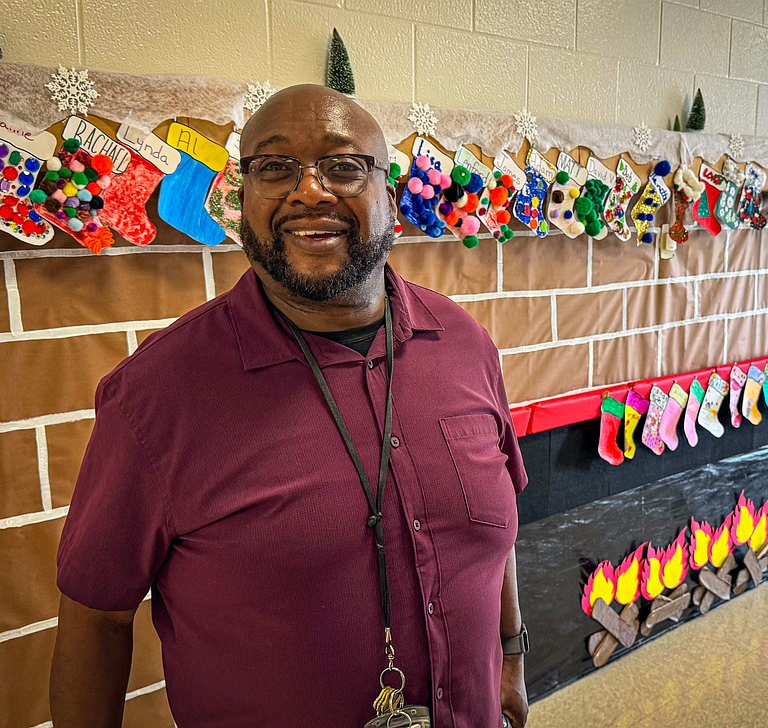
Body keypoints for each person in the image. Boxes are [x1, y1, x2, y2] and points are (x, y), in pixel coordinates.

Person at [50, 84, 530, 728]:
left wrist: (510, 659)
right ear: (240, 200)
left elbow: (495, 537)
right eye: (274, 168)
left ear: (389, 196)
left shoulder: (466, 346)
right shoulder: (155, 397)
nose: (310, 191)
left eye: (344, 166)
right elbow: (96, 619)